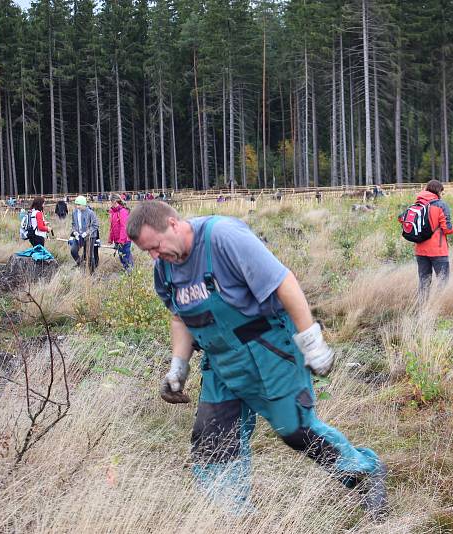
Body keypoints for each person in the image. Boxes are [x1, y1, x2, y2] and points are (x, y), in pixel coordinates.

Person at [125, 201, 388, 518]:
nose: (155, 256)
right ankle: (235, 518)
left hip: (268, 350)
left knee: (296, 430)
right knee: (213, 443)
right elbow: (180, 318)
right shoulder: (164, 269)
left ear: (173, 223)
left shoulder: (223, 238)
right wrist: (178, 366)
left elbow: (283, 283)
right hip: (221, 365)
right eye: (147, 252)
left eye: (156, 246)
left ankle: (364, 472)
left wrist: (311, 341)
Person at [413, 179, 453, 297]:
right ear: (438, 191)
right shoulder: (441, 205)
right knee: (443, 281)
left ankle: (423, 308)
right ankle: (440, 307)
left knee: (424, 282)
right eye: (442, 192)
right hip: (438, 250)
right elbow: (447, 229)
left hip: (420, 250)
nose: (442, 195)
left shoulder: (417, 204)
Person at [69, 195, 100, 269]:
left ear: (84, 204)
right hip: (78, 236)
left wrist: (86, 233)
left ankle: (92, 273)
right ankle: (81, 265)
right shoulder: (74, 212)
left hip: (90, 236)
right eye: (76, 204)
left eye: (79, 205)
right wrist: (74, 232)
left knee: (89, 255)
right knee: (73, 251)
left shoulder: (90, 213)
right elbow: (73, 224)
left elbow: (95, 225)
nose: (77, 206)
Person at [109, 194, 134, 271]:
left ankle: (130, 273)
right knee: (121, 257)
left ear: (115, 201)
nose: (109, 203)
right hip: (118, 240)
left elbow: (124, 227)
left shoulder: (123, 211)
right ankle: (126, 270)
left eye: (110, 201)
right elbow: (112, 227)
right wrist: (111, 238)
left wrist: (122, 240)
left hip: (124, 240)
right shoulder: (114, 212)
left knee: (126, 257)